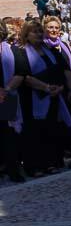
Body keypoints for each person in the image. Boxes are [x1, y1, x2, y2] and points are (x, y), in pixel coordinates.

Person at [42, 15, 71, 167]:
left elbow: (70, 64)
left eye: (56, 28)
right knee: (57, 126)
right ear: (45, 29)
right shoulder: (43, 47)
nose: (54, 30)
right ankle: (59, 157)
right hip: (52, 90)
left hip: (68, 89)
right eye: (50, 27)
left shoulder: (64, 45)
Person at [1, 25, 25, 182]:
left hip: (8, 96)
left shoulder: (13, 50)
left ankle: (12, 169)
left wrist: (6, 89)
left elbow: (21, 72)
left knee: (8, 135)